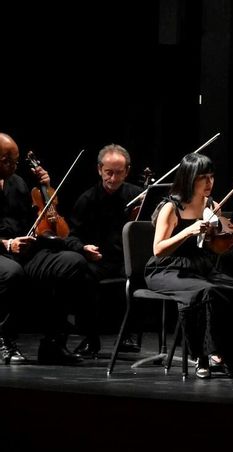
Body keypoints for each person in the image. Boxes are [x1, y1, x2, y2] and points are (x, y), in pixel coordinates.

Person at [145, 152, 233, 378]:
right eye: (202, 177)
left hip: (198, 267)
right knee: (206, 292)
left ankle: (228, 357)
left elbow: (222, 240)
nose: (209, 183)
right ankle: (202, 357)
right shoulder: (171, 207)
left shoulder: (210, 204)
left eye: (211, 176)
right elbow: (158, 249)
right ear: (189, 178)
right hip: (167, 268)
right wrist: (188, 231)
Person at [0, 134, 97, 365]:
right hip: (2, 251)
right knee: (12, 273)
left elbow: (33, 223)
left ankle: (53, 342)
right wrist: (6, 244)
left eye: (15, 160)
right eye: (7, 160)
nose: (14, 165)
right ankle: (4, 340)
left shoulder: (18, 183)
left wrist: (45, 188)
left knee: (72, 263)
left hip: (20, 250)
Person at [69, 143, 144, 355]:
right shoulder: (86, 199)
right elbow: (72, 234)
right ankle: (90, 338)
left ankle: (126, 335)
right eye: (108, 172)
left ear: (127, 171)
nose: (113, 178)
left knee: (141, 275)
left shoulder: (138, 196)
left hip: (125, 260)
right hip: (98, 260)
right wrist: (83, 248)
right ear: (99, 170)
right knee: (80, 276)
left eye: (119, 173)